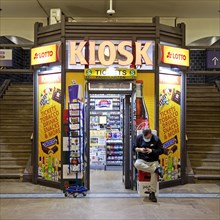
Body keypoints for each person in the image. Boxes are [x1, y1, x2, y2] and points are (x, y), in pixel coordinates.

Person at [134, 128, 164, 202]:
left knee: (154, 173)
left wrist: (152, 151)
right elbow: (133, 148)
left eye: (147, 137)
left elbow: (161, 150)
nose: (145, 138)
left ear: (150, 134)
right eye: (144, 137)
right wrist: (140, 149)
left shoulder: (156, 139)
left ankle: (152, 192)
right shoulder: (139, 138)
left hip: (153, 160)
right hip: (142, 160)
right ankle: (156, 170)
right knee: (137, 164)